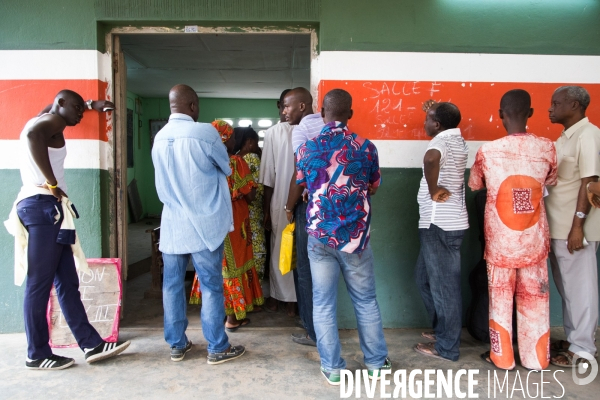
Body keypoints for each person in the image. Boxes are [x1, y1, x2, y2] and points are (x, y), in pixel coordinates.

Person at [5, 90, 130, 370]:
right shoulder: (49, 123)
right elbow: (32, 137)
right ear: (60, 105)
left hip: (51, 211)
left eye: (81, 110)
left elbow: (51, 109)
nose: (80, 114)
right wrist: (51, 182)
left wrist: (89, 104)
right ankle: (36, 353)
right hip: (42, 207)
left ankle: (91, 344)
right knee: (39, 285)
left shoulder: (45, 116)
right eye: (76, 108)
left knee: (67, 283)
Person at [296, 89, 390, 385]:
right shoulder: (366, 148)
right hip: (355, 238)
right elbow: (373, 186)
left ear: (322, 112)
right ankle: (375, 364)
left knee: (322, 303)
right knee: (365, 300)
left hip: (319, 235)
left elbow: (304, 185)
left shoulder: (307, 148)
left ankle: (333, 368)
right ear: (350, 114)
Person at [152, 84, 244, 364]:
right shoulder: (205, 132)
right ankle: (217, 347)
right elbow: (227, 167)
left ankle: (177, 345)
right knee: (211, 286)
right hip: (204, 224)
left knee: (171, 286)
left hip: (173, 224)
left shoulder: (159, 137)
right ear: (193, 106)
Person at [469, 89, 558, 371]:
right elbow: (551, 180)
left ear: (500, 114)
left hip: (500, 243)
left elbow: (475, 185)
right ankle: (536, 359)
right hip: (533, 242)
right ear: (531, 113)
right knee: (536, 301)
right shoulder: (548, 148)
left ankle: (503, 358)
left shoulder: (487, 151)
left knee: (500, 300)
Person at [544, 86, 600, 367]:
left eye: (556, 103)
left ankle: (583, 349)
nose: (550, 108)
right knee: (567, 288)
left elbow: (590, 183)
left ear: (575, 105)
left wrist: (578, 225)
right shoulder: (566, 137)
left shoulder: (588, 135)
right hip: (558, 227)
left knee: (580, 289)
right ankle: (574, 338)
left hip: (573, 229)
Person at [189, 121, 264, 330]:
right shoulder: (236, 162)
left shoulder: (202, 161)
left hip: (208, 222)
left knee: (215, 267)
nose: (234, 141)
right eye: (231, 137)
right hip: (233, 225)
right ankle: (232, 319)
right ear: (224, 139)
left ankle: (216, 315)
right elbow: (250, 196)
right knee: (232, 267)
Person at [413, 101, 469, 362]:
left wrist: (434, 188)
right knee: (423, 279)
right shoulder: (455, 139)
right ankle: (443, 331)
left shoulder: (440, 143)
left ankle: (447, 346)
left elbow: (430, 158)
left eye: (427, 119)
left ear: (436, 124)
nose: (424, 123)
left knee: (444, 288)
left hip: (440, 224)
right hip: (443, 223)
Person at [283, 87, 323, 347]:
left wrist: (288, 206)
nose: (284, 111)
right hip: (329, 207)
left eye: (287, 106)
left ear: (302, 106)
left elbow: (301, 171)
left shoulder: (301, 129)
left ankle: (312, 331)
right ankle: (321, 327)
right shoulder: (327, 124)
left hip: (307, 207)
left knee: (305, 271)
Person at [259, 89, 297, 315]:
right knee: (296, 252)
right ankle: (294, 302)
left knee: (279, 250)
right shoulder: (311, 130)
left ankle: (278, 298)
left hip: (281, 200)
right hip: (302, 202)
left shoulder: (273, 132)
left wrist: (266, 211)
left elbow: (267, 178)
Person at [236, 127, 267, 283]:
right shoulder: (252, 158)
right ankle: (257, 295)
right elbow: (258, 189)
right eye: (256, 142)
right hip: (254, 214)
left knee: (243, 255)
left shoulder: (234, 159)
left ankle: (244, 296)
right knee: (258, 253)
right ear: (249, 142)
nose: (257, 146)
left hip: (238, 216)